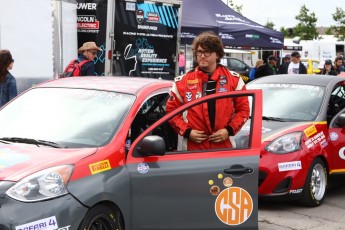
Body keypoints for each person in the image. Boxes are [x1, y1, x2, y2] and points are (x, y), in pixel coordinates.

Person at [166, 31, 250, 151]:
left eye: (207, 52)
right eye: (199, 52)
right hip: (191, 149)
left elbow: (244, 110)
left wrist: (229, 130)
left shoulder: (234, 80)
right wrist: (187, 132)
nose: (202, 55)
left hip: (224, 147)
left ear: (217, 55)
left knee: (221, 171)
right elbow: (171, 112)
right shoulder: (182, 82)